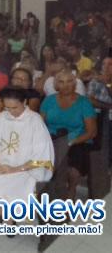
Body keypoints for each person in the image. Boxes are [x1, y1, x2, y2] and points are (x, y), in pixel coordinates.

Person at [0, 87, 54, 204]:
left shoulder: (34, 120)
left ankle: (7, 220)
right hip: (2, 166)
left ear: (25, 102)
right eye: (7, 107)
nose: (11, 112)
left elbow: (41, 153)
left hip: (24, 170)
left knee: (5, 196)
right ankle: (2, 218)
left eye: (15, 107)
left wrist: (14, 169)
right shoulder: (2, 117)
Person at [40, 70, 97, 200]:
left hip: (77, 140)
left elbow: (91, 132)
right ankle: (45, 193)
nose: (65, 85)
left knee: (72, 169)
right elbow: (39, 125)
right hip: (52, 139)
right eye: (61, 82)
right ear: (56, 84)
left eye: (69, 81)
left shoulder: (84, 103)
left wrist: (70, 142)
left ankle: (71, 191)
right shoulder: (49, 100)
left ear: (75, 84)